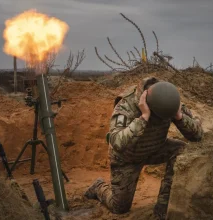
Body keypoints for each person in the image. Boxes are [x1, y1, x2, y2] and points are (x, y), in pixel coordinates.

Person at [84, 77, 204, 220]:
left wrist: (178, 116)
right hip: (127, 158)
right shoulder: (126, 106)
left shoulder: (168, 101)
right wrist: (144, 117)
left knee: (181, 149)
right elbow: (116, 143)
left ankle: (162, 206)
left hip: (156, 149)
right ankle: (98, 186)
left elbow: (197, 136)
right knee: (119, 208)